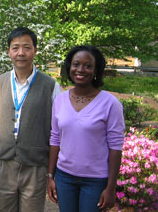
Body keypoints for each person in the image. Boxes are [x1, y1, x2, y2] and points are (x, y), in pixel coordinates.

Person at [0, 27, 61, 212]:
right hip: (4, 163)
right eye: (15, 48)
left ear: (35, 51)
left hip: (35, 165)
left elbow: (58, 129)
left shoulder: (50, 85)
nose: (21, 53)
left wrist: (51, 172)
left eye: (26, 47)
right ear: (8, 52)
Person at [47, 45, 125, 211]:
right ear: (69, 67)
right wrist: (50, 176)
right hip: (64, 177)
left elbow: (115, 147)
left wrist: (110, 187)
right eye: (76, 64)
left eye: (88, 66)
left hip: (95, 180)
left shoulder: (110, 104)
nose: (80, 69)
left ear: (96, 70)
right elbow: (55, 139)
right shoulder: (60, 100)